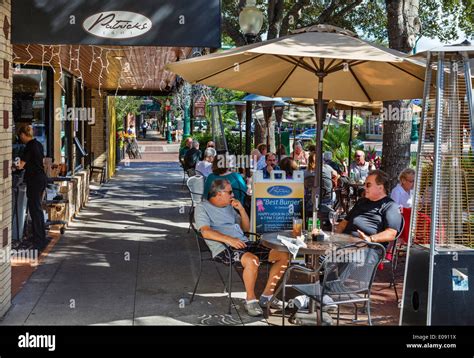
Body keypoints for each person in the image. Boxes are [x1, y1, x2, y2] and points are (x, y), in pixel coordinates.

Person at [195, 179, 289, 317]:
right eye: (230, 192)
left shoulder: (229, 207)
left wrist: (241, 209)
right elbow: (205, 231)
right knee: (252, 261)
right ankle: (250, 300)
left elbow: (245, 228)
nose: (232, 195)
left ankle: (267, 296)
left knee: (283, 255)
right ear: (219, 194)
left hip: (243, 243)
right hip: (224, 248)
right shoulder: (202, 207)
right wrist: (230, 239)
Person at [334, 170, 402, 246]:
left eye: (368, 185)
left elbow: (391, 233)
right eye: (364, 184)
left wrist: (370, 239)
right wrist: (332, 237)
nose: (364, 187)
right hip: (345, 243)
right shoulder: (361, 201)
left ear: (380, 188)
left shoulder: (390, 205)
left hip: (369, 247)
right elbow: (343, 223)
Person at [15, 125, 49, 251]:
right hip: (41, 179)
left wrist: (14, 165)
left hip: (34, 181)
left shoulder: (29, 146)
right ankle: (40, 237)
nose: (20, 139)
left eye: (20, 136)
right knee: (37, 209)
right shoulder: (38, 144)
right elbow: (42, 161)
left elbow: (21, 165)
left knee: (35, 210)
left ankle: (38, 241)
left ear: (24, 135)